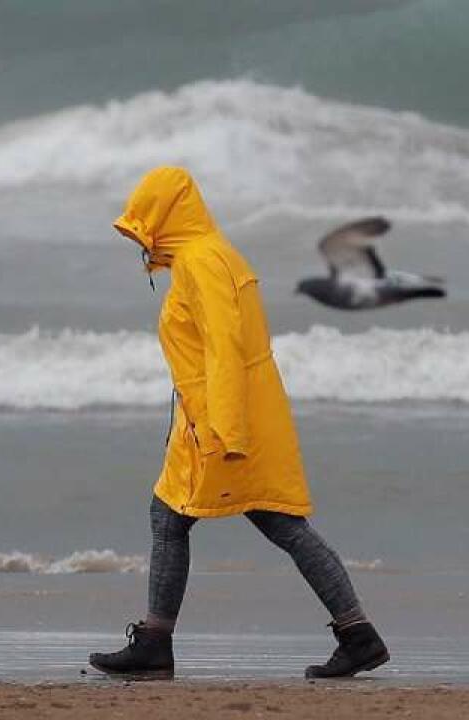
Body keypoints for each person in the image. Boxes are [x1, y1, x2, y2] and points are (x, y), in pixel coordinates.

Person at [88, 167, 389, 679]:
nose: (141, 239)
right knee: (253, 521)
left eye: (146, 224)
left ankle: (157, 643)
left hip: (224, 423)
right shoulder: (206, 257)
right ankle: (356, 635)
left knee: (208, 520)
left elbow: (226, 349)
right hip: (219, 417)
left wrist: (225, 430)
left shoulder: (203, 262)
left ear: (167, 215)